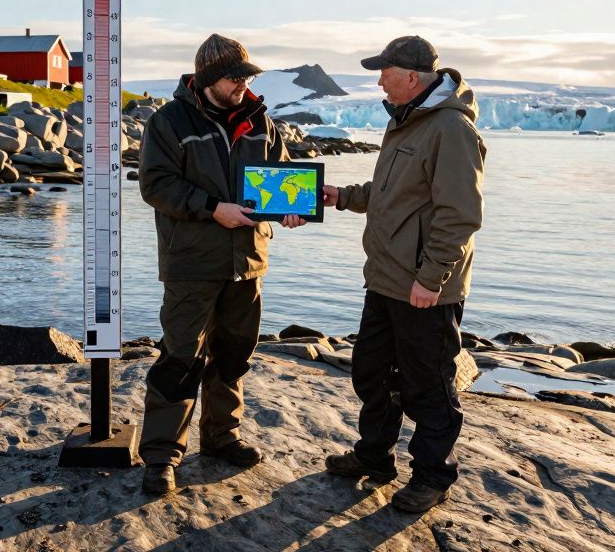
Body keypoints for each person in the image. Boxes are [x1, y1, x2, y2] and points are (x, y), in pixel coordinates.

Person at [321, 35, 486, 513]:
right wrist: (344, 195)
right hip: (387, 279)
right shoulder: (408, 123)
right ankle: (375, 456)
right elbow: (395, 193)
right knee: (372, 373)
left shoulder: (450, 128)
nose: (379, 82)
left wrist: (431, 279)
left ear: (412, 77)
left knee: (428, 384)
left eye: (385, 74)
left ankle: (434, 475)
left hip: (423, 288)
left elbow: (460, 214)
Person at [137, 33, 304, 495]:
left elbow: (281, 174)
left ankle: (220, 438)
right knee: (181, 358)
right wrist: (213, 207)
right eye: (235, 77)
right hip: (191, 262)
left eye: (247, 76)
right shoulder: (169, 122)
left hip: (248, 260)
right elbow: (155, 185)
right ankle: (162, 454)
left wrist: (290, 206)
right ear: (209, 80)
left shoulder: (259, 121)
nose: (243, 85)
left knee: (233, 355)